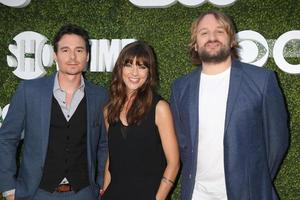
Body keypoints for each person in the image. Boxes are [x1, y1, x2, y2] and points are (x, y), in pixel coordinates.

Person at [170, 11, 289, 200]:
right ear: (195, 44)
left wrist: (254, 180)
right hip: (197, 194)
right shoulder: (180, 88)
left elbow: (277, 140)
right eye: (204, 33)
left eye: (220, 31)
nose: (212, 37)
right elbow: (183, 142)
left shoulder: (262, 81)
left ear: (232, 40)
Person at [0, 24, 108, 200]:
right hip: (37, 193)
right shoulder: (29, 91)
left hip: (84, 193)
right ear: (55, 55)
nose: (72, 57)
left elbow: (104, 145)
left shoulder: (100, 96)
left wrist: (102, 184)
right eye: (65, 50)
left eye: (79, 50)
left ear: (87, 56)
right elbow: (6, 138)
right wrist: (9, 189)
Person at [101, 41, 180, 200]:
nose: (134, 72)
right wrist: (104, 190)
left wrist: (158, 198)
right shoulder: (109, 110)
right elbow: (112, 158)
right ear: (120, 68)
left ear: (149, 72)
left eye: (142, 66)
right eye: (129, 65)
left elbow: (174, 163)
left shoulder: (160, 108)